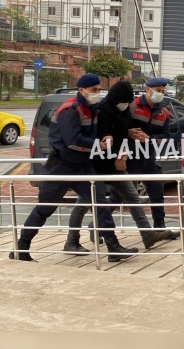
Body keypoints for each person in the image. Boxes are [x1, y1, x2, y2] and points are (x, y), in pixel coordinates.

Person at [10, 74, 137, 262]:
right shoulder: (70, 109)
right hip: (61, 167)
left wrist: (106, 137)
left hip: (83, 167)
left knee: (100, 203)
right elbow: (72, 141)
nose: (97, 93)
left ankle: (113, 246)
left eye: (99, 89)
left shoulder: (92, 109)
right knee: (44, 209)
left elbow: (96, 133)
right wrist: (98, 145)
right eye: (94, 90)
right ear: (81, 90)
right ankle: (22, 247)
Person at [63, 80, 174, 254]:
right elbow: (104, 136)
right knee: (85, 202)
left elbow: (122, 133)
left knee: (133, 195)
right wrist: (119, 152)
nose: (126, 105)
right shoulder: (102, 110)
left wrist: (129, 141)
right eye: (94, 89)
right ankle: (74, 239)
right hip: (99, 162)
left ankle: (147, 234)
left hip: (123, 159)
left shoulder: (133, 110)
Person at [127, 77, 175, 229]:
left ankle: (159, 226)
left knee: (157, 191)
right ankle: (99, 225)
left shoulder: (164, 112)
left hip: (149, 158)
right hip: (130, 158)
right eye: (157, 91)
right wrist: (128, 133)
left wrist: (149, 138)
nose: (160, 94)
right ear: (147, 89)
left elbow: (166, 136)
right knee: (119, 195)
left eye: (162, 91)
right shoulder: (132, 106)